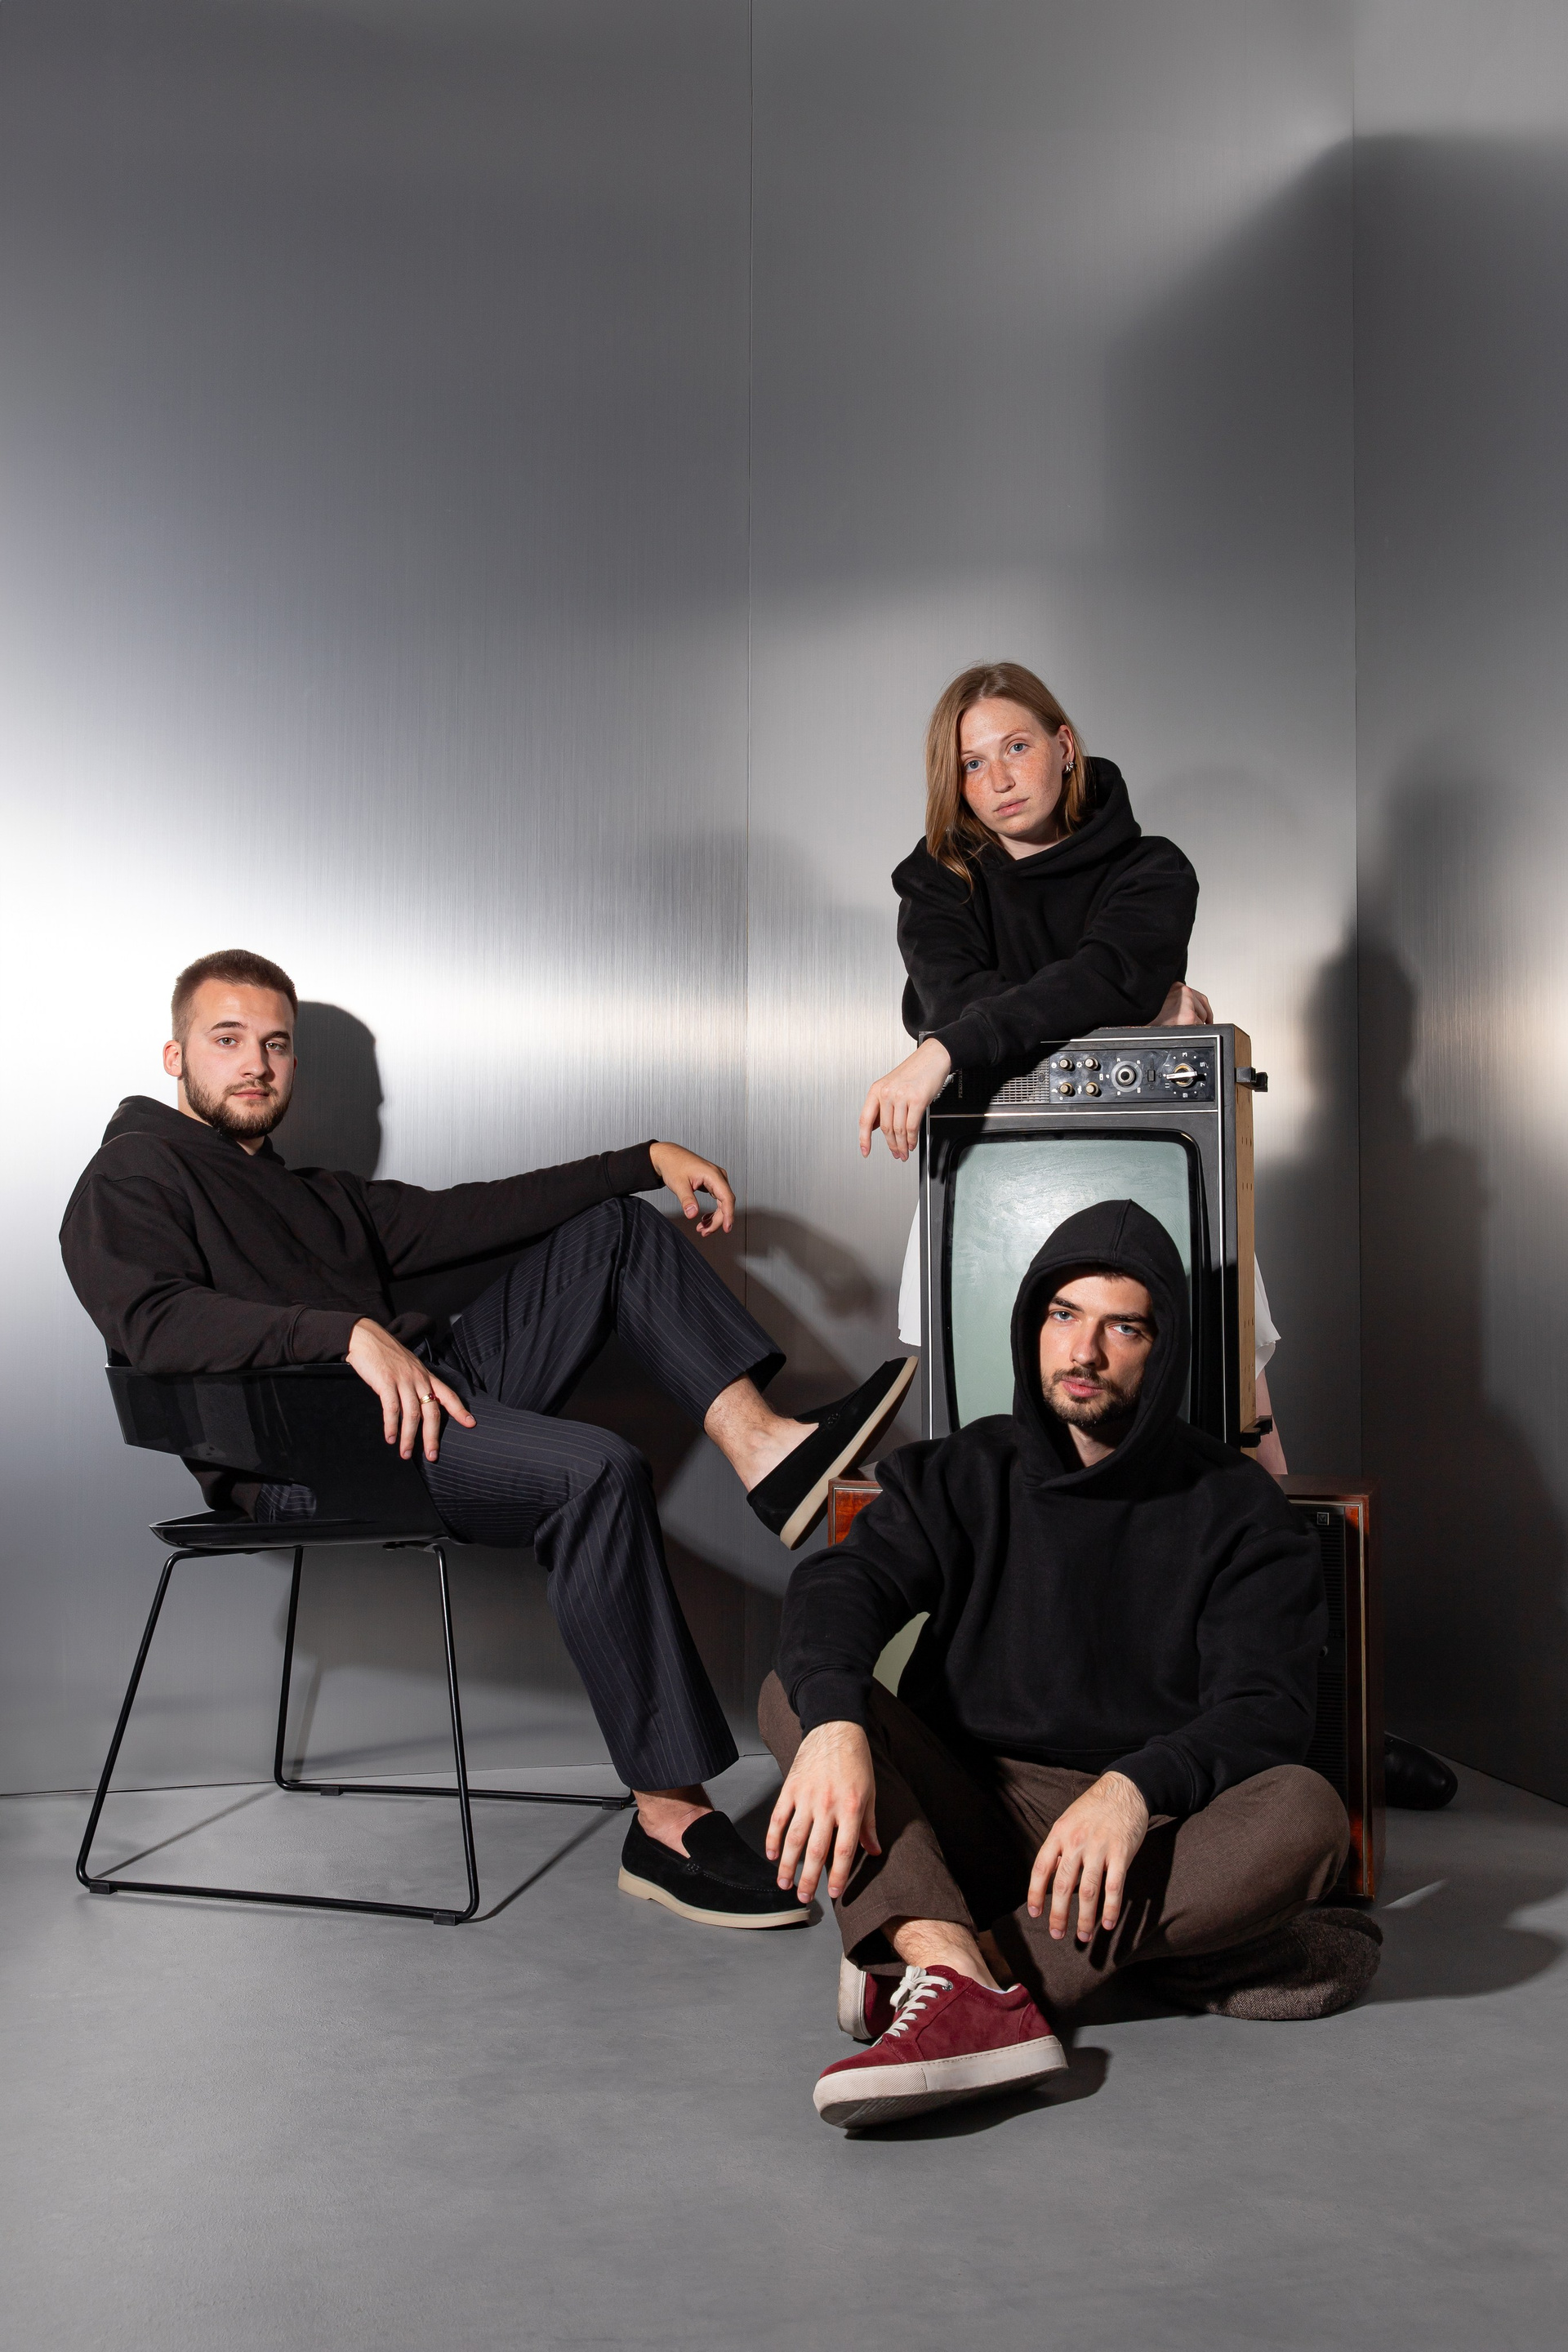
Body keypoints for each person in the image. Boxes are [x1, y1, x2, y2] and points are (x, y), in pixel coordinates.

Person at [60, 949, 915, 1932]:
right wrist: (339, 1332)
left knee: (615, 1230)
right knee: (597, 1468)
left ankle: (766, 1450)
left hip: (424, 1407)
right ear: (176, 1055)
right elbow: (153, 1324)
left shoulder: (316, 1197)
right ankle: (670, 1820)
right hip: (309, 1456)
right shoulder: (133, 1172)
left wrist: (641, 1161)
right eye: (227, 1040)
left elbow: (472, 1213)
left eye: (276, 1045)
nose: (255, 1064)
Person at [759, 1199, 1381, 2131]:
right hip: (972, 1807)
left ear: (1163, 1349)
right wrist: (839, 1725)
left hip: (1141, 1838)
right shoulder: (961, 1471)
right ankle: (983, 1965)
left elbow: (1267, 1707)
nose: (1082, 1351)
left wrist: (1133, 1789)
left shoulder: (1239, 1509)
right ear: (1033, 1325)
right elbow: (841, 1585)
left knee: (1305, 1815)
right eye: (1063, 1315)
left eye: (1122, 1327)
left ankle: (933, 1965)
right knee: (801, 1694)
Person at [858, 656, 1287, 1463]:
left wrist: (953, 1046)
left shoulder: (1152, 870)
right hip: (992, 1181)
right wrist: (1135, 1017)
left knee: (1227, 1395)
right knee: (990, 1407)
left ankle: (1259, 1546)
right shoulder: (936, 882)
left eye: (1016, 748)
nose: (997, 780)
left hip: (1145, 1164)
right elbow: (968, 1000)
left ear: (1064, 746)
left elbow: (1089, 979)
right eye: (971, 764)